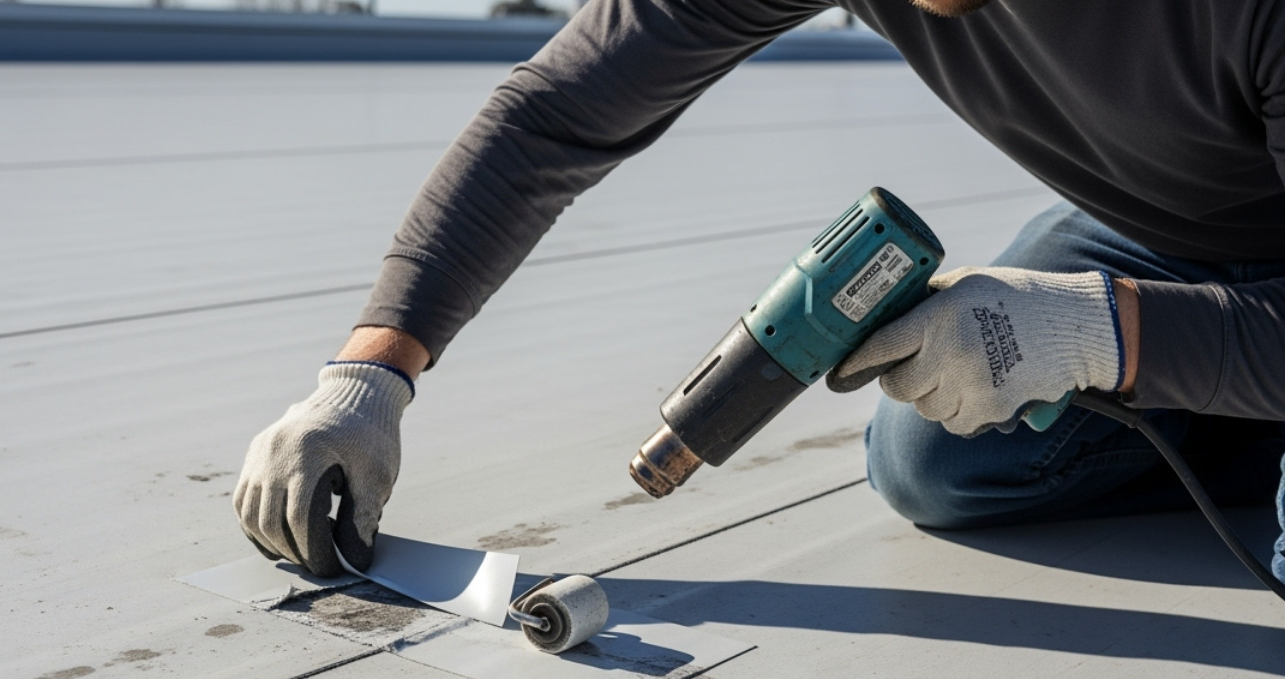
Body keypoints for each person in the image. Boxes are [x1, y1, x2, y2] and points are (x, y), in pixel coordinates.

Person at [233, 0, 1285, 581]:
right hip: (1162, 232)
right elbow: (553, 115)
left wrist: (1099, 334)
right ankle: (1238, 419)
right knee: (932, 465)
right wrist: (369, 373)